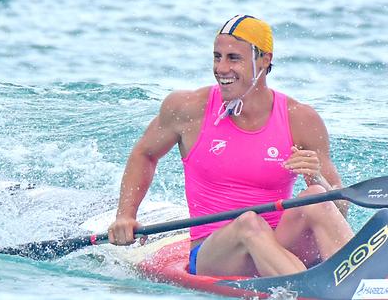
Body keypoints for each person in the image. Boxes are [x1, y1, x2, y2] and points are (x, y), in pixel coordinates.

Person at [108, 15, 353, 277]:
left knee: (317, 196)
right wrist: (126, 215)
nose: (221, 68)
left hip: (278, 244)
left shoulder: (301, 119)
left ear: (264, 60)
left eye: (233, 58)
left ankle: (365, 281)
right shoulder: (188, 109)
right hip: (213, 253)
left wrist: (317, 180)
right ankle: (312, 288)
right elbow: (145, 154)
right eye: (217, 57)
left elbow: (340, 209)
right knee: (249, 222)